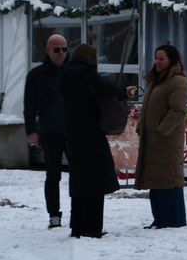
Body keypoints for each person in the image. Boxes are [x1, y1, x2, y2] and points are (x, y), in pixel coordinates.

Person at [57, 43, 126, 238]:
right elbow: (113, 91)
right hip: (91, 136)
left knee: (79, 183)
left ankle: (77, 226)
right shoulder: (89, 77)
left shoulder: (64, 77)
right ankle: (91, 228)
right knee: (96, 183)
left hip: (72, 136)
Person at [128, 44, 187, 229]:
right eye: (156, 58)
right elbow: (148, 107)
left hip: (166, 140)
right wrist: (142, 127)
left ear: (171, 60)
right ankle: (160, 219)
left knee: (168, 180)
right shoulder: (157, 80)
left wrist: (162, 130)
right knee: (155, 180)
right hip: (153, 139)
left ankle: (173, 220)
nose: (157, 62)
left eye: (162, 58)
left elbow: (177, 110)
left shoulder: (177, 81)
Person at [24, 34, 68, 229]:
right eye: (56, 50)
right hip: (49, 131)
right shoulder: (36, 75)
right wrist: (31, 130)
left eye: (64, 49)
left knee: (78, 173)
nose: (61, 53)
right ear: (48, 51)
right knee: (53, 174)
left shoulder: (73, 72)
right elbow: (29, 106)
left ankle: (79, 210)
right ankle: (54, 214)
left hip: (72, 130)